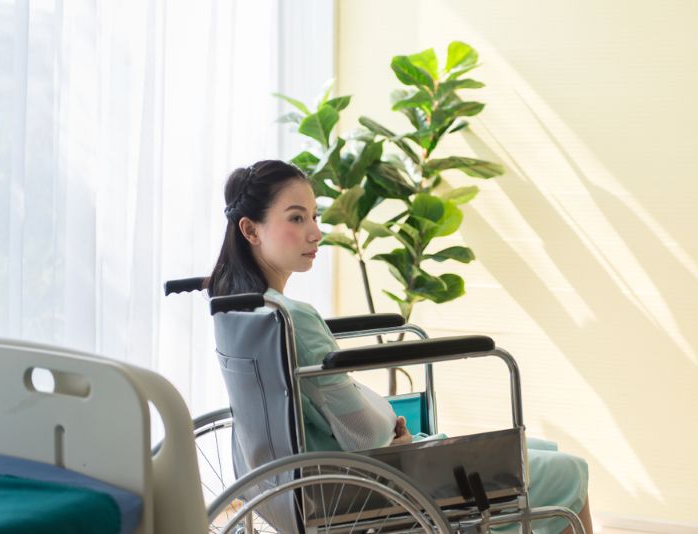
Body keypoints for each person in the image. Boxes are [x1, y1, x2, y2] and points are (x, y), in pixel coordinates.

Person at [207, 160, 593, 534]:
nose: (315, 232)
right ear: (251, 230)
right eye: (296, 218)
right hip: (364, 483)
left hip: (285, 483)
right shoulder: (293, 318)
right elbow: (364, 434)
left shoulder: (242, 310)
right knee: (568, 469)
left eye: (314, 216)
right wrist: (392, 430)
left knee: (542, 449)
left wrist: (386, 426)